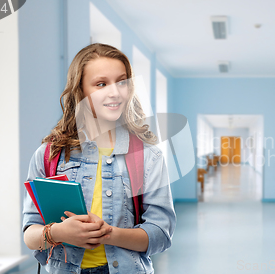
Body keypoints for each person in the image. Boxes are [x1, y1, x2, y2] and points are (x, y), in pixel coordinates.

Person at [22, 43, 176, 274]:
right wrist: (58, 233)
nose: (115, 92)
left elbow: (161, 235)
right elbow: (30, 235)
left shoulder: (148, 156)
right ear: (80, 90)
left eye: (122, 81)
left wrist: (109, 234)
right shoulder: (48, 154)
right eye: (101, 84)